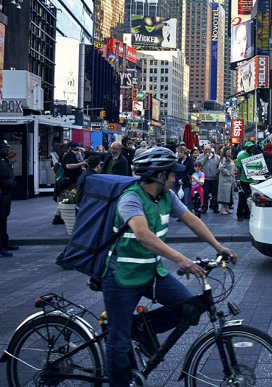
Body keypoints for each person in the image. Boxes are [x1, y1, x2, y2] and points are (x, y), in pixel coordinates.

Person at [100, 147, 237, 387]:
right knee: (118, 342)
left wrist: (218, 246)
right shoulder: (131, 198)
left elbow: (192, 220)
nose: (175, 178)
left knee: (190, 308)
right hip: (122, 277)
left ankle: (140, 329)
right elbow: (143, 235)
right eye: (171, 174)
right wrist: (180, 259)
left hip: (152, 273)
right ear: (158, 176)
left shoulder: (166, 196)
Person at [235, 142, 259, 221]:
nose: (251, 149)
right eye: (250, 147)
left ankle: (247, 213)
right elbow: (238, 168)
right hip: (243, 180)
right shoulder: (241, 156)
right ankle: (239, 214)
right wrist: (238, 179)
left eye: (252, 147)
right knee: (242, 198)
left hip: (251, 180)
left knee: (249, 198)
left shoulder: (252, 156)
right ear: (246, 148)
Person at [195, 145, 219, 214]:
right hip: (204, 178)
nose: (207, 151)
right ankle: (204, 207)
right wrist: (205, 157)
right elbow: (198, 165)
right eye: (206, 149)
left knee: (214, 194)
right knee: (204, 194)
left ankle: (215, 207)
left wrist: (216, 172)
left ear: (211, 149)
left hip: (214, 178)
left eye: (208, 149)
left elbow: (219, 166)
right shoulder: (200, 157)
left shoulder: (216, 157)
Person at [216, 147, 236, 215]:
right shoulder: (224, 158)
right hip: (225, 179)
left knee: (228, 193)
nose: (230, 151)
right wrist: (227, 173)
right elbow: (221, 167)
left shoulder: (229, 159)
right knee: (224, 193)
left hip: (230, 179)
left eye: (230, 150)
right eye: (228, 150)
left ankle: (227, 207)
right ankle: (222, 208)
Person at [176, 147, 194, 211]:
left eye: (178, 152)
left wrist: (183, 180)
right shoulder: (178, 160)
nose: (177, 154)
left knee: (187, 200)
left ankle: (189, 215)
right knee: (180, 200)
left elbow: (191, 171)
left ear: (183, 152)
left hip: (186, 182)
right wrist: (178, 179)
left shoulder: (190, 160)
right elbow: (176, 171)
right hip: (179, 182)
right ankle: (181, 215)